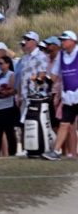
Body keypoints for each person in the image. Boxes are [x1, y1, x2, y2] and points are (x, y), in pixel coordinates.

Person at [43, 31, 78, 160]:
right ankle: (56, 152)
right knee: (64, 124)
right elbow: (53, 75)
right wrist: (43, 81)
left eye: (64, 40)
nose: (62, 42)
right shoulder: (61, 55)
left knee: (67, 125)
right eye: (61, 40)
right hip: (69, 97)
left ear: (73, 41)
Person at [0, 56, 17, 157]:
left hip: (7, 107)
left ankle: (12, 152)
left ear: (8, 64)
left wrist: (0, 91)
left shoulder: (11, 75)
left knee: (9, 131)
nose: (0, 66)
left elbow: (13, 90)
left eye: (2, 63)